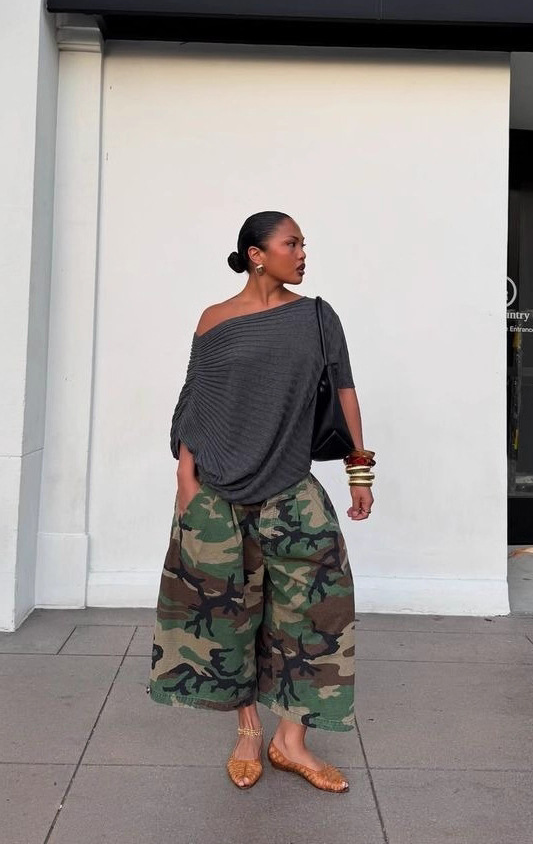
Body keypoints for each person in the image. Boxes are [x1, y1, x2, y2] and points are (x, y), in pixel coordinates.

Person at [147, 210, 376, 793]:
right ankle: (249, 731)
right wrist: (186, 479)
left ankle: (290, 741)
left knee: (317, 615)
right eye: (291, 244)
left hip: (291, 488)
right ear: (257, 254)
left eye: (303, 244)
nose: (302, 254)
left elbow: (345, 391)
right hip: (218, 494)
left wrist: (359, 472)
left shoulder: (318, 318)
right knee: (230, 617)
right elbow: (195, 399)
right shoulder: (215, 320)